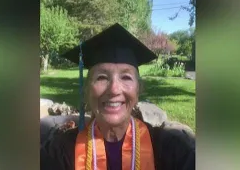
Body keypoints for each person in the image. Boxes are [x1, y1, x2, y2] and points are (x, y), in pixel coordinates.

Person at [40, 23, 195, 170]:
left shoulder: (171, 149)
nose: (114, 89)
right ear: (86, 90)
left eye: (126, 77)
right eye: (101, 77)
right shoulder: (59, 152)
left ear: (139, 89)